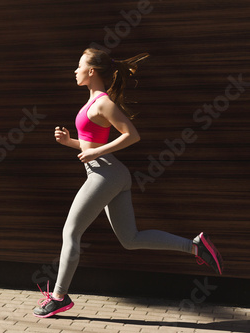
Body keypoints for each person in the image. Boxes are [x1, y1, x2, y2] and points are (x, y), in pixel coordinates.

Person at [33, 48, 224, 318]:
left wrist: (95, 153)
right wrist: (71, 143)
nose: (74, 71)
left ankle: (58, 298)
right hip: (110, 174)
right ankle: (195, 246)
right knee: (131, 239)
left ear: (91, 71)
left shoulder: (102, 103)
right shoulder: (92, 102)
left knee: (71, 233)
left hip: (106, 174)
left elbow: (131, 135)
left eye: (79, 66)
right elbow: (91, 143)